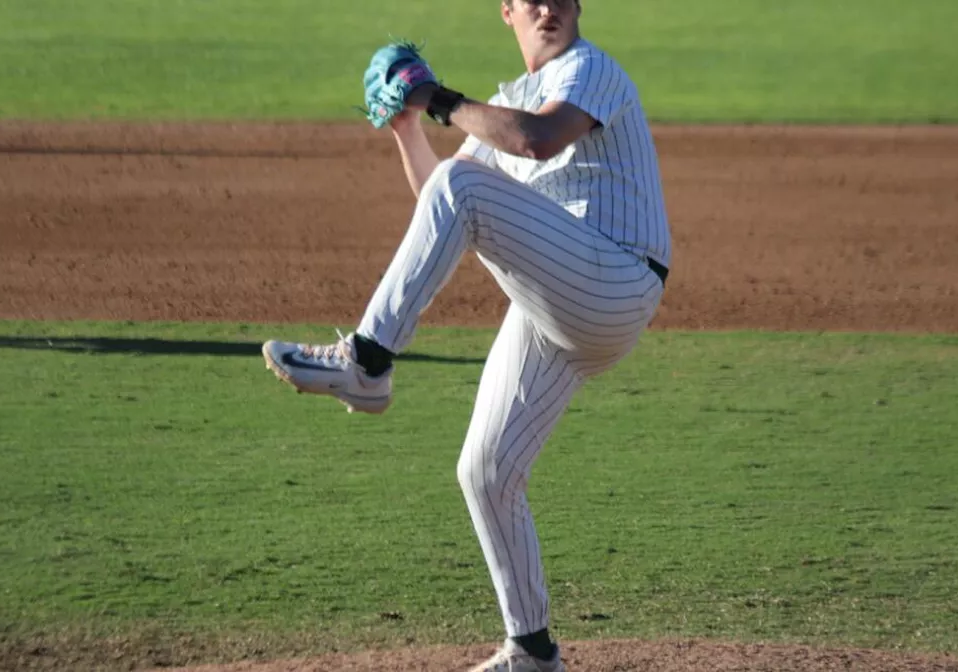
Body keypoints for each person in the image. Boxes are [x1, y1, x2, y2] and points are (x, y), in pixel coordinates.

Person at [260, 0, 670, 669]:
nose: (548, 7)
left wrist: (440, 97)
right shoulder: (511, 100)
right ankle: (532, 649)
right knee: (486, 471)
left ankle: (366, 363)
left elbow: (537, 140)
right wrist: (406, 124)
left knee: (465, 185)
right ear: (506, 10)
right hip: (562, 305)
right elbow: (443, 200)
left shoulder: (592, 69)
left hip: (616, 279)